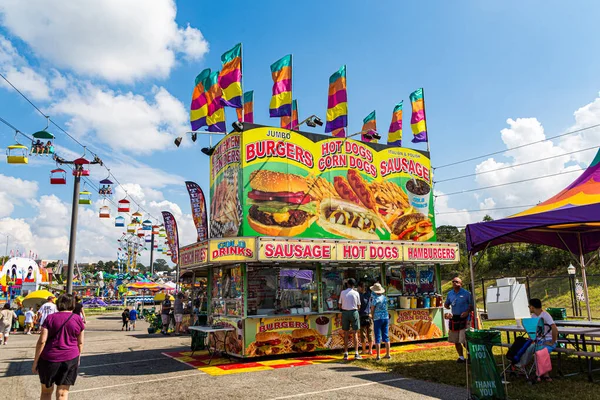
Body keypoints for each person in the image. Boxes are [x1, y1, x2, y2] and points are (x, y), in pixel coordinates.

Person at [32, 293, 85, 400]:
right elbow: (80, 342)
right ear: (73, 305)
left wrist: (35, 362)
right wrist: (78, 357)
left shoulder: (50, 318)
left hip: (49, 358)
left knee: (46, 392)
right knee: (63, 393)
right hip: (70, 357)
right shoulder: (77, 319)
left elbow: (42, 341)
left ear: (58, 304)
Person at [444, 277, 473, 363]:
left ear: (461, 284)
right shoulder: (450, 294)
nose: (454, 283)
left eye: (456, 282)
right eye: (453, 281)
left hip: (465, 319)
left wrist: (467, 312)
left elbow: (471, 305)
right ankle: (461, 357)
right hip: (455, 318)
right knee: (456, 340)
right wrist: (447, 311)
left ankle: (470, 354)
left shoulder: (466, 293)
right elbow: (446, 305)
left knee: (464, 340)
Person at [338, 278, 362, 360]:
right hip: (354, 312)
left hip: (345, 313)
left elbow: (339, 305)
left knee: (346, 333)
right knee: (355, 333)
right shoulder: (356, 293)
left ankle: (346, 353)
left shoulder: (342, 292)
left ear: (347, 284)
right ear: (354, 285)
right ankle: (356, 353)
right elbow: (359, 306)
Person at [369, 283, 391, 360]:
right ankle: (388, 354)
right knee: (386, 336)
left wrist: (371, 315)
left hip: (377, 318)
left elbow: (372, 309)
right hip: (385, 317)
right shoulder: (385, 298)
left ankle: (378, 355)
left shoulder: (375, 299)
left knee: (377, 336)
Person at [357, 281, 373, 355]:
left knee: (363, 334)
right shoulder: (369, 294)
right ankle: (370, 350)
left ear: (360, 287)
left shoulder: (359, 295)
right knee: (370, 333)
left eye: (358, 287)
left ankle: (364, 350)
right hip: (369, 315)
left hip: (362, 316)